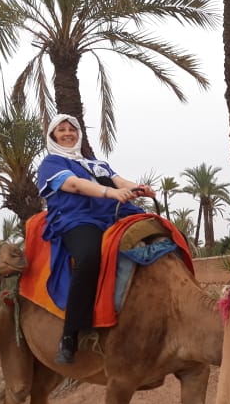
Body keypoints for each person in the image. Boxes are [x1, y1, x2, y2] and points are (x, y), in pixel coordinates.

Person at [37, 113, 156, 364]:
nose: (68, 133)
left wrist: (138, 188)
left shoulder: (94, 163)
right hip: (77, 218)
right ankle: (71, 334)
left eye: (72, 129)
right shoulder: (51, 163)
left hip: (112, 213)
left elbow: (119, 180)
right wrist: (110, 193)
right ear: (53, 136)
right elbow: (74, 186)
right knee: (89, 256)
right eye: (61, 130)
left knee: (160, 235)